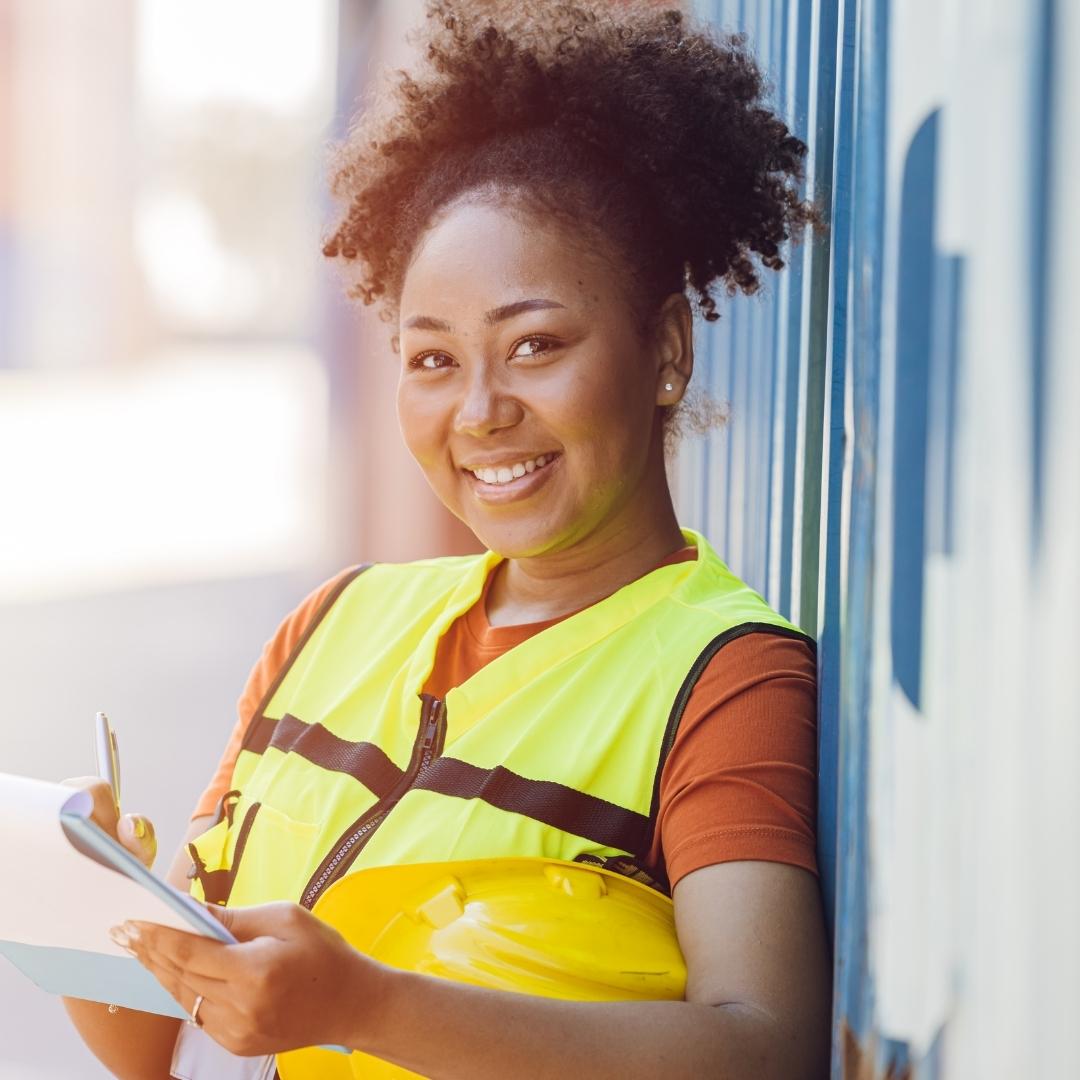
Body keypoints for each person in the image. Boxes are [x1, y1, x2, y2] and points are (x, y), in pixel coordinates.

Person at [62, 2, 832, 1077]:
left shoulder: (723, 676)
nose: (479, 411)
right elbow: (150, 1048)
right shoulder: (330, 629)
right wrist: (93, 910)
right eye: (432, 360)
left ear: (664, 348)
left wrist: (371, 1006)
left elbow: (764, 1051)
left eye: (535, 345)